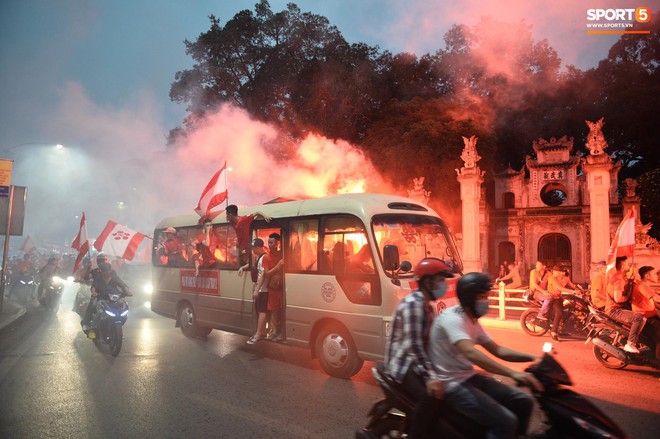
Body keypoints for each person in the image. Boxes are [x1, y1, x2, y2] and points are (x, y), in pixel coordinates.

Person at [429, 272, 542, 439]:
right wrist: (513, 373)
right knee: (505, 421)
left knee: (523, 401)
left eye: (486, 296)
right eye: (482, 296)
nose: (486, 301)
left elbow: (497, 350)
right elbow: (471, 352)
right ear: (468, 298)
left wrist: (532, 358)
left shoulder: (472, 319)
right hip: (451, 384)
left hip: (468, 377)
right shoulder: (453, 319)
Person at [384, 258, 453, 439]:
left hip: (414, 360)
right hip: (402, 363)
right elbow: (414, 346)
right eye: (440, 280)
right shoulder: (414, 304)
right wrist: (430, 377)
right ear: (428, 282)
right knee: (429, 396)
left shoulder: (427, 304)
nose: (444, 285)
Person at [606, 256, 646, 354]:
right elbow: (618, 299)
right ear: (623, 266)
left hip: (618, 308)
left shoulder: (621, 277)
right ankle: (630, 343)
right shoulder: (618, 280)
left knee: (643, 318)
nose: (629, 265)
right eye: (627, 264)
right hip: (614, 310)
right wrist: (628, 297)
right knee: (638, 318)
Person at [81, 257, 132, 332]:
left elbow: (121, 283)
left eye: (107, 271)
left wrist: (127, 290)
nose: (106, 273)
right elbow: (93, 285)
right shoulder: (97, 274)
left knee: (123, 305)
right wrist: (94, 293)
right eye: (100, 261)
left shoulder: (113, 274)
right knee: (93, 305)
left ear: (110, 270)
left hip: (112, 296)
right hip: (100, 296)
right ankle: (86, 323)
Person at [632, 266, 660, 359]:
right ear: (647, 276)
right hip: (646, 318)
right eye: (654, 274)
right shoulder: (642, 286)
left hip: (651, 315)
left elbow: (653, 302)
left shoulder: (645, 285)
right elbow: (656, 298)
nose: (657, 276)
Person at [246, 238, 269, 345]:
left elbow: (263, 275)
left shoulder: (264, 257)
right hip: (261, 289)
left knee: (262, 311)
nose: (253, 250)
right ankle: (262, 332)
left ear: (258, 247)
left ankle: (258, 334)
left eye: (254, 248)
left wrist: (257, 290)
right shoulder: (260, 257)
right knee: (260, 310)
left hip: (263, 289)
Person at [545, 265, 578, 341]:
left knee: (570, 310)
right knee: (559, 313)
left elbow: (572, 285)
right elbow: (558, 287)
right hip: (552, 298)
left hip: (559, 298)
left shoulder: (566, 278)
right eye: (554, 271)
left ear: (561, 273)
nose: (554, 272)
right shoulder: (552, 278)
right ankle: (553, 332)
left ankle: (562, 329)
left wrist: (581, 289)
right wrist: (573, 292)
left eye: (556, 271)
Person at [263, 233, 284, 341]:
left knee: (282, 309)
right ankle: (274, 331)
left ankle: (280, 331)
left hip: (283, 287)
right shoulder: (266, 257)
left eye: (271, 243)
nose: (269, 245)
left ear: (277, 243)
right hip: (273, 288)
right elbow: (266, 274)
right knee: (274, 310)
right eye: (268, 243)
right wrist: (278, 266)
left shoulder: (282, 254)